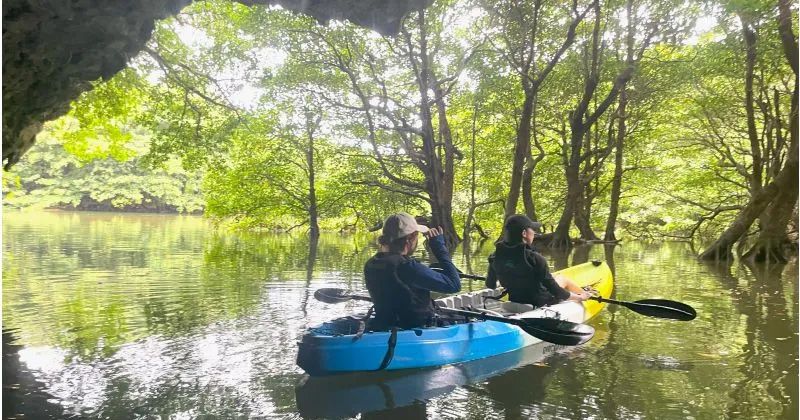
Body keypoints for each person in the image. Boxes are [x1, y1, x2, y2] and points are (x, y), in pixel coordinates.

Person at [364, 212, 461, 329]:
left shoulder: (371, 263)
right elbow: (454, 285)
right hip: (415, 329)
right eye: (417, 236)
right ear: (410, 239)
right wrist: (439, 248)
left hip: (384, 324)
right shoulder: (407, 266)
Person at [485, 214, 592, 307]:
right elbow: (557, 292)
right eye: (533, 229)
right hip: (542, 302)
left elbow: (490, 285)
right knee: (562, 279)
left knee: (554, 277)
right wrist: (580, 298)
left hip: (515, 300)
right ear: (524, 233)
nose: (535, 233)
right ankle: (585, 295)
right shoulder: (535, 258)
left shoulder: (494, 257)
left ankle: (581, 294)